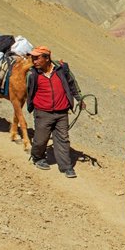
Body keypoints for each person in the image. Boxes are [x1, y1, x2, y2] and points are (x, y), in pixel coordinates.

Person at [25, 46, 84, 179]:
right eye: (32, 58)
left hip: (62, 112)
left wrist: (79, 99)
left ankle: (66, 167)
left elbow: (72, 84)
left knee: (63, 139)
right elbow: (29, 91)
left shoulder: (61, 69)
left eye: (37, 58)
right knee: (41, 139)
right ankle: (38, 158)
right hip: (43, 112)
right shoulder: (33, 74)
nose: (34, 61)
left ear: (47, 58)